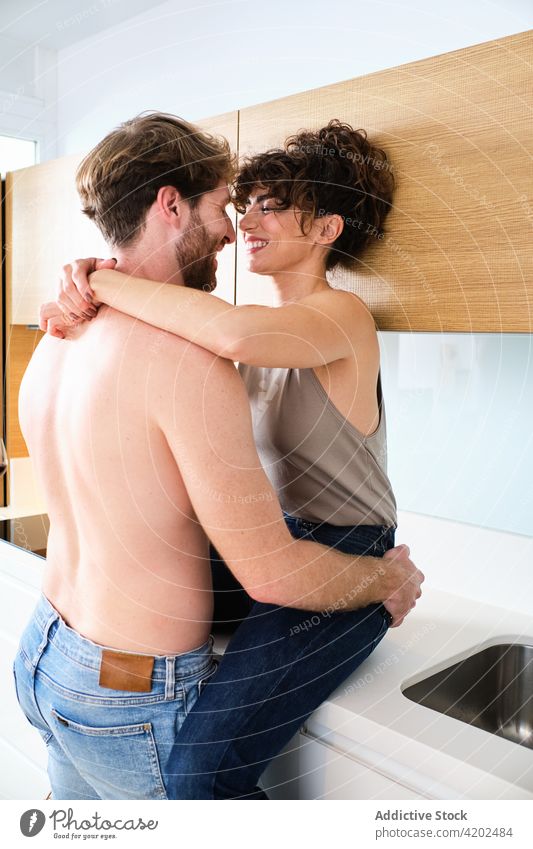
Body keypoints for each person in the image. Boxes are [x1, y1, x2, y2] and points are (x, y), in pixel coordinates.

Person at [41, 117, 423, 800]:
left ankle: (373, 595)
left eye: (273, 204)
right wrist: (81, 274)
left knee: (198, 777)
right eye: (243, 202)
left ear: (327, 230)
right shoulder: (253, 327)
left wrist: (102, 279)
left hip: (342, 546)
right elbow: (216, 330)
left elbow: (230, 330)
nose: (245, 218)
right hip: (272, 536)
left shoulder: (341, 317)